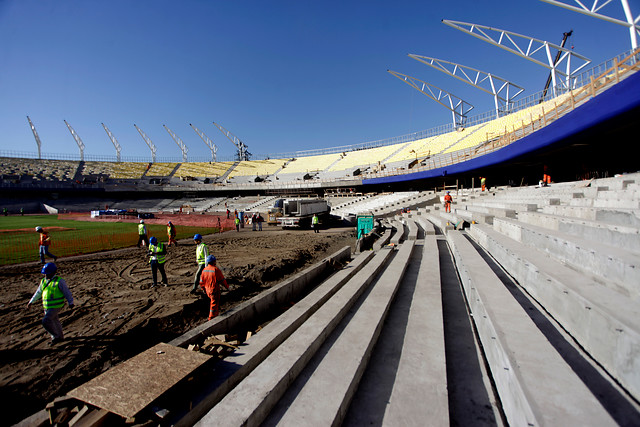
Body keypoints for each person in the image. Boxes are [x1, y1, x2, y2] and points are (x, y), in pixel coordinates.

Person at [26, 263, 74, 345]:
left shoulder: (59, 281)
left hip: (56, 306)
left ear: (53, 272)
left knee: (46, 321)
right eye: (45, 273)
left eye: (47, 273)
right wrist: (31, 301)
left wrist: (71, 302)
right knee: (55, 321)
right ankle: (60, 336)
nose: (46, 275)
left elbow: (67, 292)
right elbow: (38, 292)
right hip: (47, 306)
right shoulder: (43, 281)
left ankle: (56, 337)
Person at [199, 255, 229, 320]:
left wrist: (203, 289)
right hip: (214, 290)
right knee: (214, 304)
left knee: (213, 302)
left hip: (207, 290)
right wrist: (227, 287)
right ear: (214, 262)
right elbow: (222, 280)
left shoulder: (204, 270)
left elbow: (201, 281)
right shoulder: (215, 270)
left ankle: (215, 313)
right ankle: (211, 318)